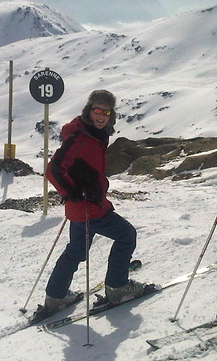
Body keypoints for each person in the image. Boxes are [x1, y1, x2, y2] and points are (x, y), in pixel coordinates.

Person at [42, 90, 149, 316]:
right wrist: (71, 192)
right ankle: (117, 287)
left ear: (111, 115)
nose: (101, 115)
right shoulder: (82, 138)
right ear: (89, 110)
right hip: (89, 207)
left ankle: (56, 296)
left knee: (77, 250)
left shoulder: (93, 134)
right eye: (97, 110)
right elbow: (52, 170)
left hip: (80, 209)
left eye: (106, 111)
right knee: (126, 235)